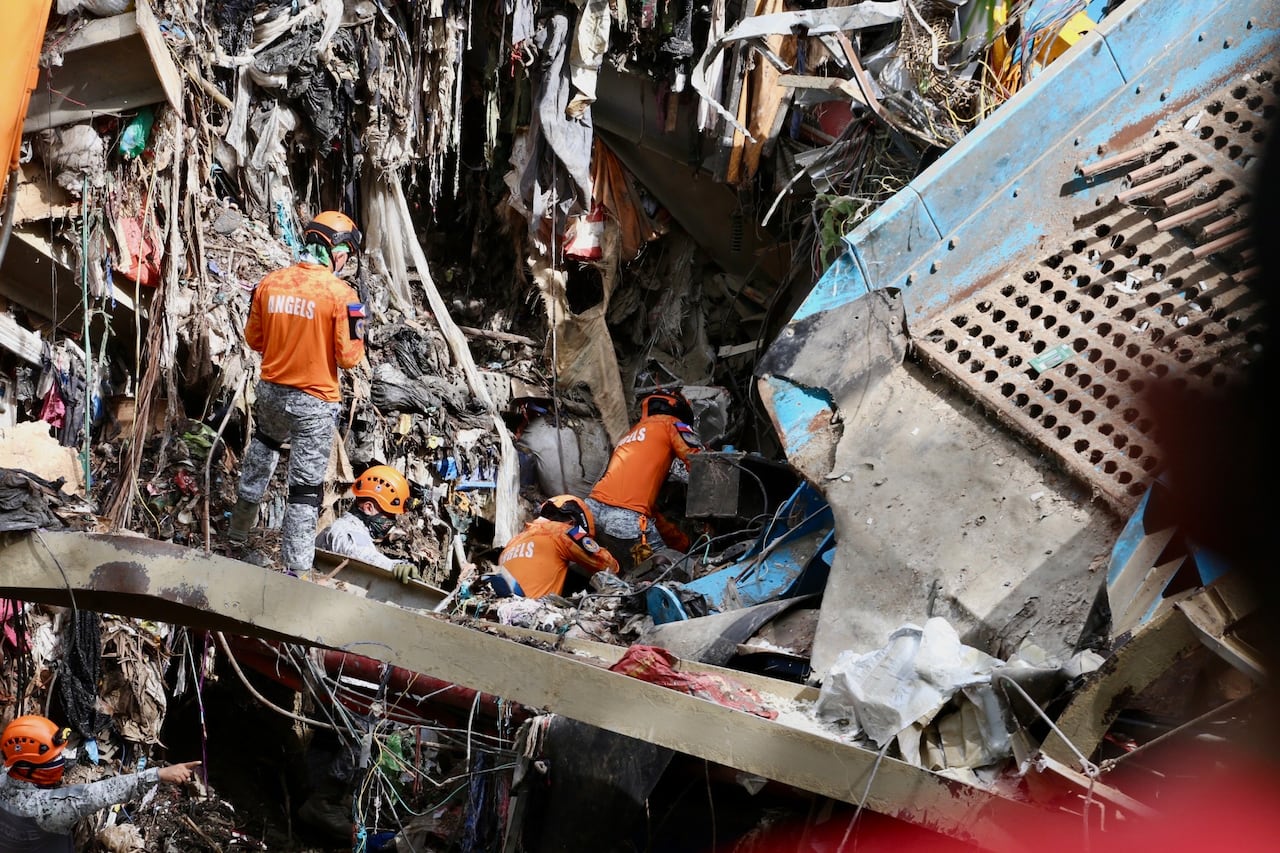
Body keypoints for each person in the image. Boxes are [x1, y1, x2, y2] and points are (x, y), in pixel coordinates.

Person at [227, 210, 366, 577]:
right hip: (314, 404)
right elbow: (349, 359)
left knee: (262, 452)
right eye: (347, 255)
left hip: (271, 393)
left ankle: (237, 533)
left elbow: (253, 339)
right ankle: (296, 571)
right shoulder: (343, 296)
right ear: (337, 252)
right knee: (304, 489)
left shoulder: (269, 283)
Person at [0, 715, 201, 852]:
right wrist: (159, 774)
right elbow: (101, 792)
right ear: (29, 767)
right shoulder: (49, 808)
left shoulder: (3, 777)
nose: (61, 760)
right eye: (54, 758)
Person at [585, 390, 702, 569]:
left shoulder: (630, 435)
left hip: (591, 511)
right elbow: (699, 462)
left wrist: (682, 543)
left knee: (624, 573)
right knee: (674, 572)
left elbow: (651, 514)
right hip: (626, 521)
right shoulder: (671, 424)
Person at [492, 495, 620, 599]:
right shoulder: (562, 531)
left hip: (502, 608)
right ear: (572, 522)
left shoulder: (514, 541)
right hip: (531, 614)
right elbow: (606, 564)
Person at [314, 465, 422, 584]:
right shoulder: (345, 530)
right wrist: (394, 566)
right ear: (369, 508)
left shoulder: (359, 530)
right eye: (389, 515)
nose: (392, 522)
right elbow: (359, 554)